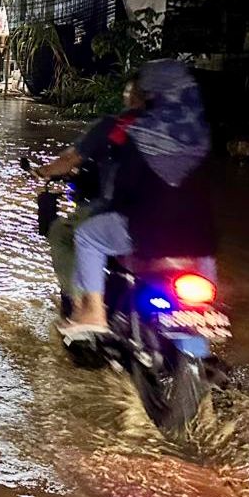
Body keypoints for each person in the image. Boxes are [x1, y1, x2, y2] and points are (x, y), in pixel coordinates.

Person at [37, 59, 216, 335]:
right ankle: (203, 322)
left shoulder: (129, 130)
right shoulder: (199, 135)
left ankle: (88, 309)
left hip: (147, 229)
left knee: (80, 235)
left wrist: (44, 171)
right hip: (201, 238)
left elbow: (123, 189)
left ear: (140, 94)